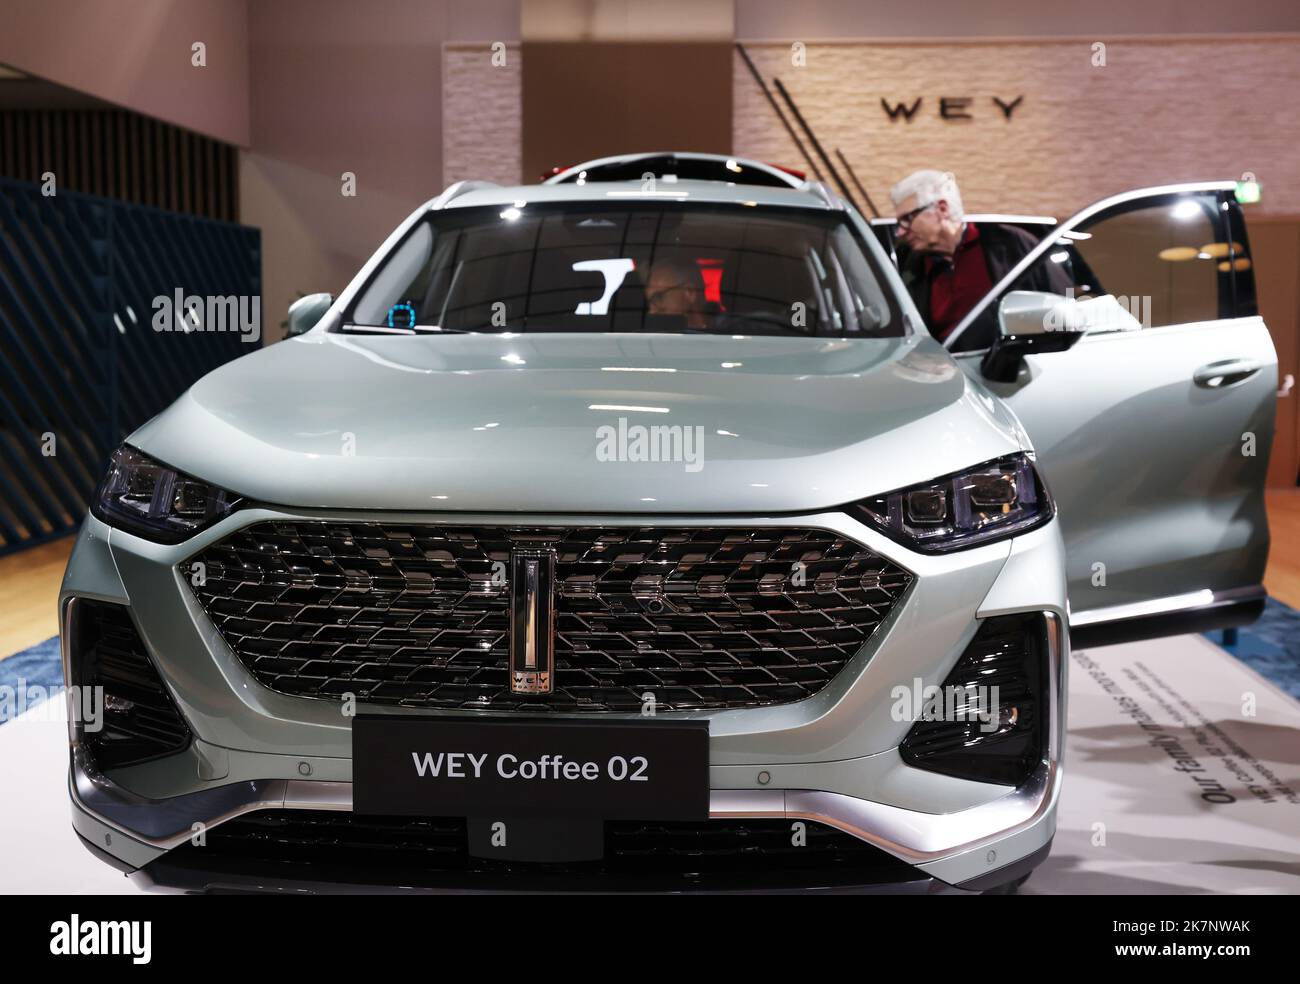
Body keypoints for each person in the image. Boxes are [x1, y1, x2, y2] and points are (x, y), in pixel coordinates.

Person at [889, 170, 1071, 351]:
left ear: (942, 209)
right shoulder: (908, 267)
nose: (900, 232)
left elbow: (1064, 307)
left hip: (1018, 369)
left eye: (907, 219)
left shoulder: (1012, 245)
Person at [645, 257, 711, 330]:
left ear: (690, 292)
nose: (651, 311)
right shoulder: (651, 337)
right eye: (649, 302)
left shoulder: (722, 337)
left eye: (659, 298)